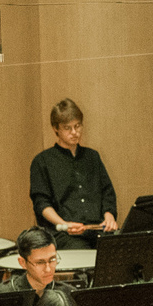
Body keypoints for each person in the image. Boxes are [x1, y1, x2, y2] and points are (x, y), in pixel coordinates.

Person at [29, 97, 119, 233]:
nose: (74, 132)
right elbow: (41, 203)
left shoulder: (92, 157)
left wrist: (109, 217)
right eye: (67, 128)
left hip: (98, 230)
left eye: (77, 126)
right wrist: (64, 225)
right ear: (56, 129)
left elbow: (107, 192)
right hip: (65, 233)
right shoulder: (42, 161)